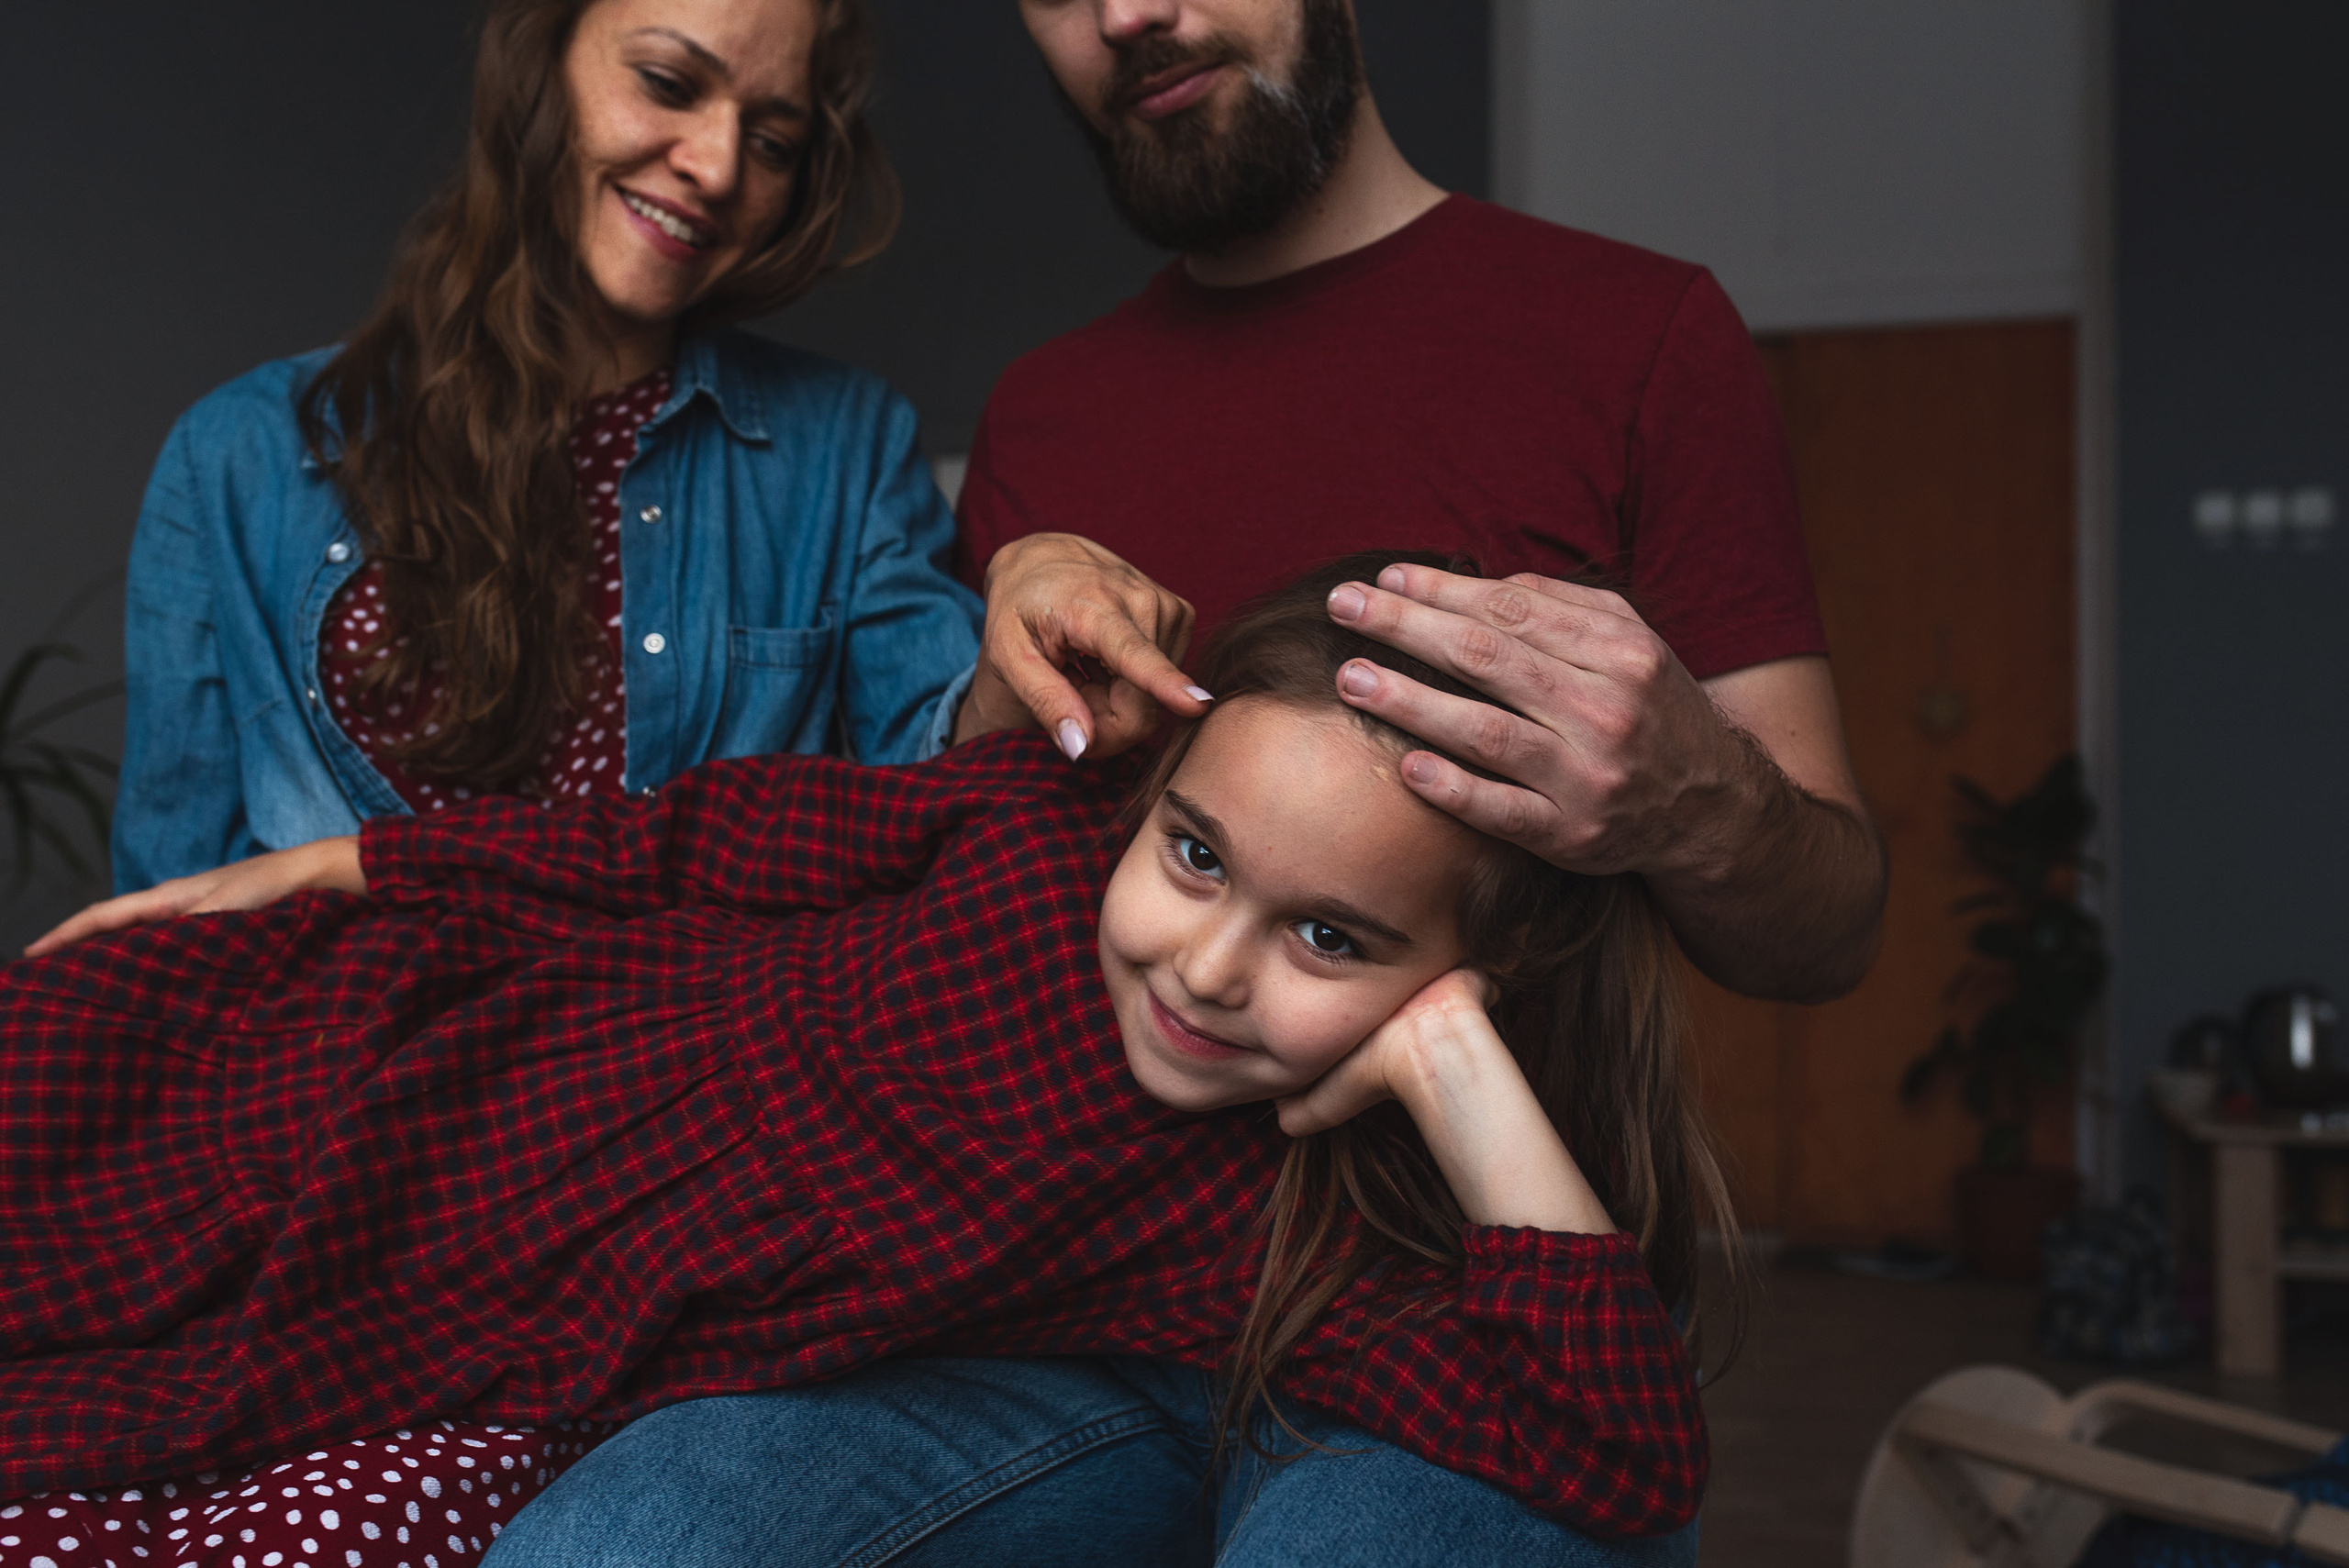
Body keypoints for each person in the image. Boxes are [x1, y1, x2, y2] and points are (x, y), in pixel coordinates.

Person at [2, 554, 1724, 1565]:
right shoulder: (1028, 823)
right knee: (73, 1087)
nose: (1205, 964)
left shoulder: (1258, 1235)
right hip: (469, 1037)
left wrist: (1461, 1069)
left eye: (1332, 937)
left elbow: (1625, 1454)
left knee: (139, 1390)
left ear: (1467, 982)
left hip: (522, 1268)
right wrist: (352, 865)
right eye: (1196, 854)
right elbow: (696, 842)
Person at [75, 0, 1204, 940]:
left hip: (670, 1108)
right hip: (325, 1100)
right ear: (540, 64)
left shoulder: (843, 446)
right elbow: (172, 912)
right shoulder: (236, 458)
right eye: (668, 82)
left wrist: (1035, 598)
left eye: (770, 141)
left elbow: (937, 772)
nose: (715, 166)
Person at [957, 0, 1887, 1006]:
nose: (1126, 14)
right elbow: (966, 908)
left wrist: (1690, 802)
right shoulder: (1035, 417)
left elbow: (1827, 941)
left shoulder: (1638, 339)